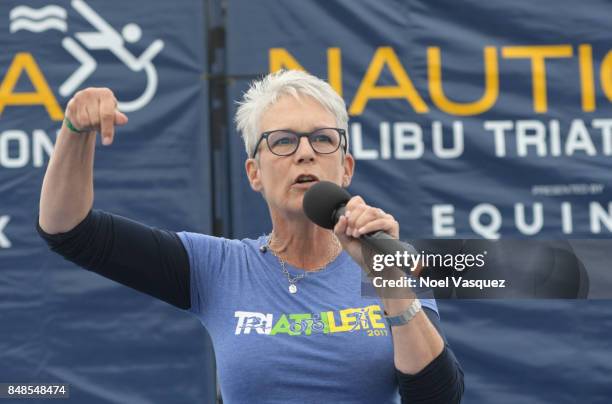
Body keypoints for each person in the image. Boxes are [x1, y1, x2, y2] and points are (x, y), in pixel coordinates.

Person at [37, 70, 464, 403]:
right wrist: (75, 131)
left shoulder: (386, 256)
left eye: (322, 138)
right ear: (254, 173)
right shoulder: (218, 268)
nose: (305, 151)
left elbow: (438, 398)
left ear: (346, 167)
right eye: (281, 141)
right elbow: (68, 230)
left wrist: (388, 280)